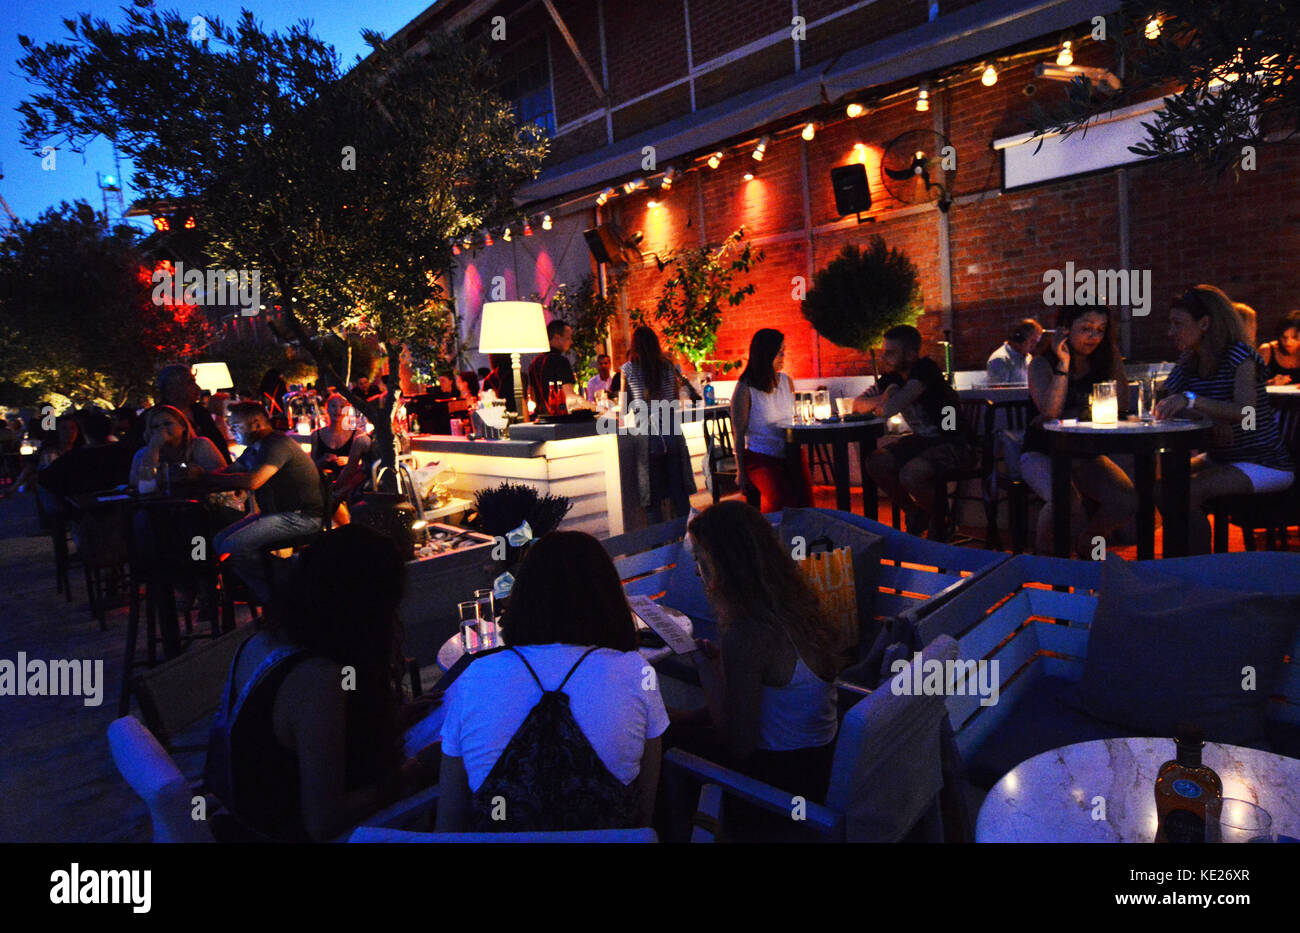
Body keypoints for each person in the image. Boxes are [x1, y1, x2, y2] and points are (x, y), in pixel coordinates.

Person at [436, 531, 667, 832]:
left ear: (523, 596)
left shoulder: (475, 678)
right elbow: (642, 817)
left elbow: (448, 823)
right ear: (607, 598)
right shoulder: (635, 672)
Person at [205, 525, 420, 842]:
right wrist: (412, 774)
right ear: (367, 609)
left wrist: (395, 722)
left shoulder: (264, 640)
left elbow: (284, 755)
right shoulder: (317, 677)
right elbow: (323, 821)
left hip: (244, 824)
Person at [670, 501, 843, 802]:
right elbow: (760, 705)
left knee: (664, 747)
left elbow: (738, 745)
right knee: (675, 729)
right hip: (821, 763)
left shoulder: (748, 633)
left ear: (724, 567)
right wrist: (692, 716)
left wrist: (708, 673)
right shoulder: (798, 608)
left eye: (701, 561)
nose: (698, 574)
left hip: (782, 782)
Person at [1156, 285, 1294, 554]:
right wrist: (1214, 416)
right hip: (1222, 456)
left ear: (1205, 323)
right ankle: (1178, 565)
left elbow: (1247, 414)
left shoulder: (1240, 357)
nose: (1170, 332)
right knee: (1159, 485)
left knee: (1185, 491)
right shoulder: (1190, 359)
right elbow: (1165, 400)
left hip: (1263, 461)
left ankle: (1200, 572)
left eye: (1177, 324)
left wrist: (1194, 401)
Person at [1019, 306, 1137, 557]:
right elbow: (1050, 411)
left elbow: (1123, 404)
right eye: (1086, 328)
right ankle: (1044, 558)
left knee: (1125, 500)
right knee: (1065, 499)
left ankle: (1086, 544)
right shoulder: (1042, 365)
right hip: (1043, 451)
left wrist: (1114, 357)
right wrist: (1063, 364)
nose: (1093, 337)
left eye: (1100, 331)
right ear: (1065, 329)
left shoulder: (1102, 362)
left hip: (1084, 453)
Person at [854, 325, 975, 540]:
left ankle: (943, 522)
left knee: (910, 474)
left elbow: (893, 407)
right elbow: (856, 405)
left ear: (910, 355)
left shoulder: (925, 370)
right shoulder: (891, 377)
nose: (885, 357)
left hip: (955, 441)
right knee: (875, 462)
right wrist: (882, 399)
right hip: (924, 441)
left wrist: (886, 401)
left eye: (891, 352)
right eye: (884, 352)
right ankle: (915, 513)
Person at [203, 403, 325, 604]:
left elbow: (253, 481)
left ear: (257, 424)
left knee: (234, 546)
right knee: (218, 542)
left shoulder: (276, 445)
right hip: (278, 515)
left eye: (235, 425)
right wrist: (200, 476)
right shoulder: (254, 449)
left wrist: (207, 479)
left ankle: (291, 584)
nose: (231, 430)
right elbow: (229, 472)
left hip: (302, 516)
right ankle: (280, 593)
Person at [622, 326, 697, 525]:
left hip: (648, 439)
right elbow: (674, 399)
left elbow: (624, 407)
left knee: (652, 500)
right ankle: (687, 542)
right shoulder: (669, 367)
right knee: (679, 495)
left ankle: (658, 547)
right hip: (671, 434)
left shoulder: (628, 369)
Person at [732, 328, 813, 512]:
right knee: (782, 500)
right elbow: (738, 433)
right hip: (761, 456)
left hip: (791, 451)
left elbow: (794, 417)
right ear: (766, 353)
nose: (783, 355)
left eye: (784, 350)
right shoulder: (745, 388)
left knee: (805, 502)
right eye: (779, 352)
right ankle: (773, 536)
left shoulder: (786, 381)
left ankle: (805, 538)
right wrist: (740, 472)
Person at [37, 409, 133, 497]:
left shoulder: (77, 456)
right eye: (64, 428)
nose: (69, 432)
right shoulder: (52, 454)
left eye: (73, 428)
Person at [158, 365, 233, 464]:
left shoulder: (200, 412)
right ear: (172, 388)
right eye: (190, 382)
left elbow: (220, 446)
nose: (198, 388)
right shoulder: (154, 418)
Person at [525, 319, 590, 418]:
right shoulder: (560, 361)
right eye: (568, 338)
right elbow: (570, 398)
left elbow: (532, 396)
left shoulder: (534, 364)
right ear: (557, 337)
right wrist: (595, 408)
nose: (571, 342)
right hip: (560, 419)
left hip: (541, 419)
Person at [986, 319, 1044, 385]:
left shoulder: (1028, 358)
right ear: (1020, 338)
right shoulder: (999, 359)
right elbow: (998, 393)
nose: (1034, 346)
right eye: (1032, 341)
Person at [1258, 309, 1300, 386]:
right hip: (1272, 397)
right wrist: (1271, 382)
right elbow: (1247, 385)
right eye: (1284, 337)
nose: (1288, 342)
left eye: (1294, 337)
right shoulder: (1267, 350)